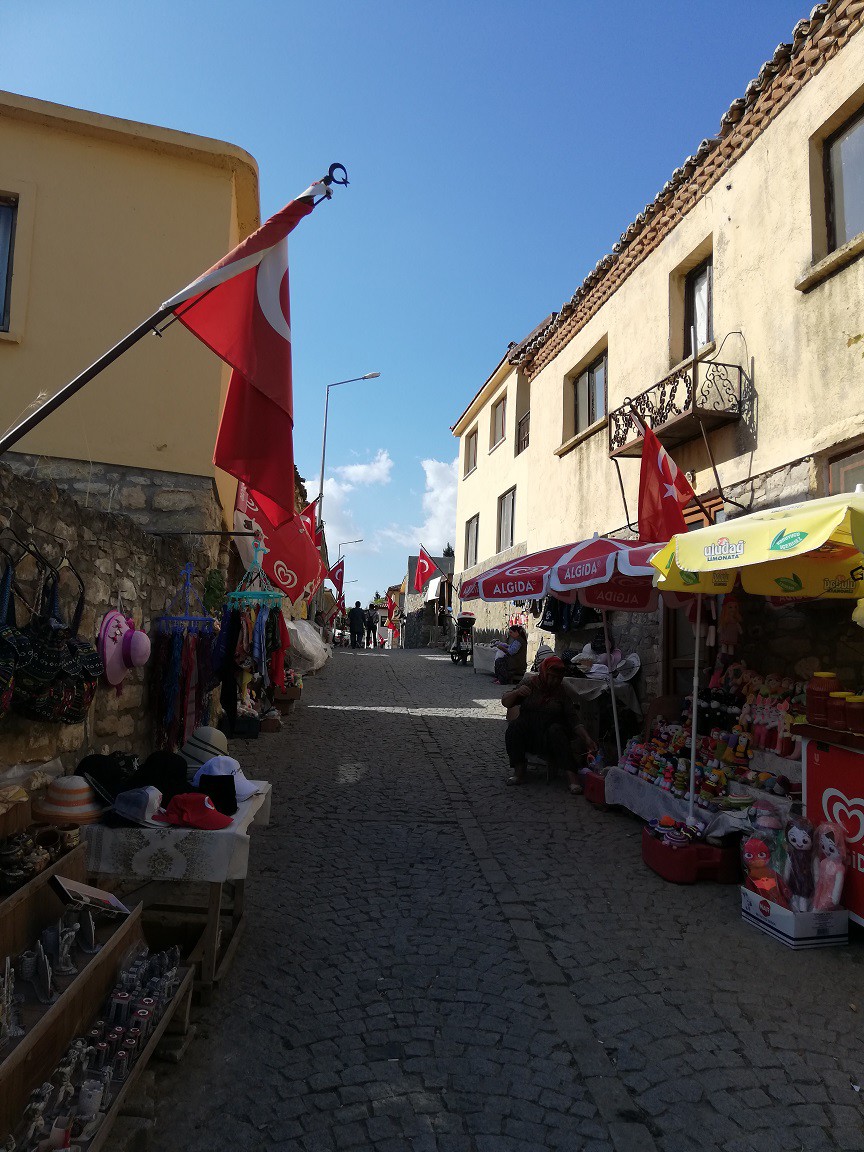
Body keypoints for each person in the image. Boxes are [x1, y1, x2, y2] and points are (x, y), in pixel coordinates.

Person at [501, 656, 596, 795]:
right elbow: (506, 702)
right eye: (552, 677)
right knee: (515, 727)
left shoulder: (561, 691)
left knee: (556, 730)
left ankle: (573, 779)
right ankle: (519, 772)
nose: (555, 681)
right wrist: (516, 692)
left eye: (558, 678)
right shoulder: (529, 683)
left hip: (551, 737)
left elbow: (573, 719)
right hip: (530, 734)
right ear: (544, 673)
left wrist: (587, 738)